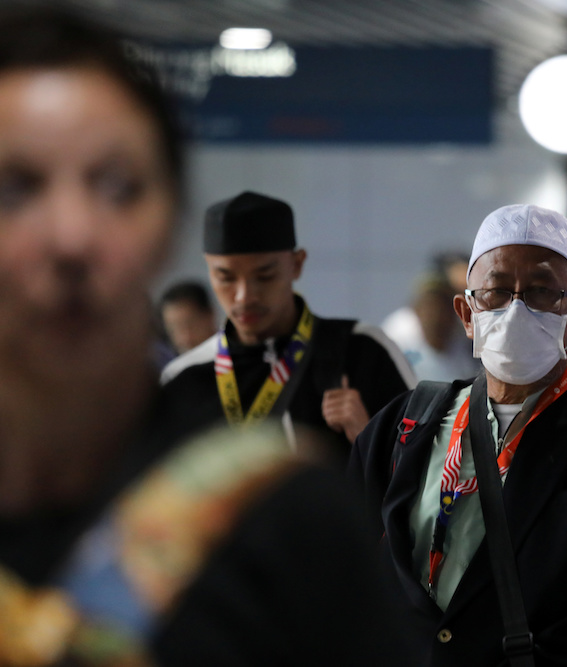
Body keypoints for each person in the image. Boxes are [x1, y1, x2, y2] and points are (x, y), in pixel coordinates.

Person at [0, 9, 403, 664]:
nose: (69, 236)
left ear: (167, 223)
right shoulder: (193, 372)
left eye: (117, 187)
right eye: (15, 188)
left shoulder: (292, 522)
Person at [351, 204, 567, 666]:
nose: (516, 309)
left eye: (542, 292)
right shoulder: (403, 426)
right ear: (466, 311)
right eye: (497, 292)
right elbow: (345, 584)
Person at [160, 191, 415, 453]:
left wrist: (369, 438)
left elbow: (426, 470)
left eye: (265, 276)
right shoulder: (183, 380)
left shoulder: (364, 351)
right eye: (225, 278)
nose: (244, 296)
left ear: (296, 264)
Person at [386, 271, 481, 382]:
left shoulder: (467, 338)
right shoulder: (396, 336)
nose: (435, 315)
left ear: (454, 311)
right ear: (416, 309)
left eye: (441, 306)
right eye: (428, 306)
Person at [158, 280, 218, 354]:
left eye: (190, 325)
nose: (186, 339)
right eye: (173, 330)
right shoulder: (175, 365)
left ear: (210, 315)